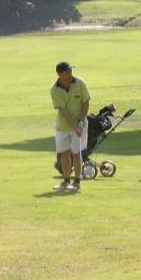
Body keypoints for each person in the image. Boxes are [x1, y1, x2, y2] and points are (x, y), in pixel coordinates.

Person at [50, 61, 91, 191]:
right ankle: (66, 181)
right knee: (64, 153)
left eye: (70, 71)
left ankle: (77, 181)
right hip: (63, 126)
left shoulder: (79, 82)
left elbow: (85, 102)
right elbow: (63, 110)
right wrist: (74, 127)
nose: (70, 73)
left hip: (79, 124)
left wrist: (81, 122)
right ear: (59, 74)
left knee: (76, 153)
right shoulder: (54, 89)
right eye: (67, 72)